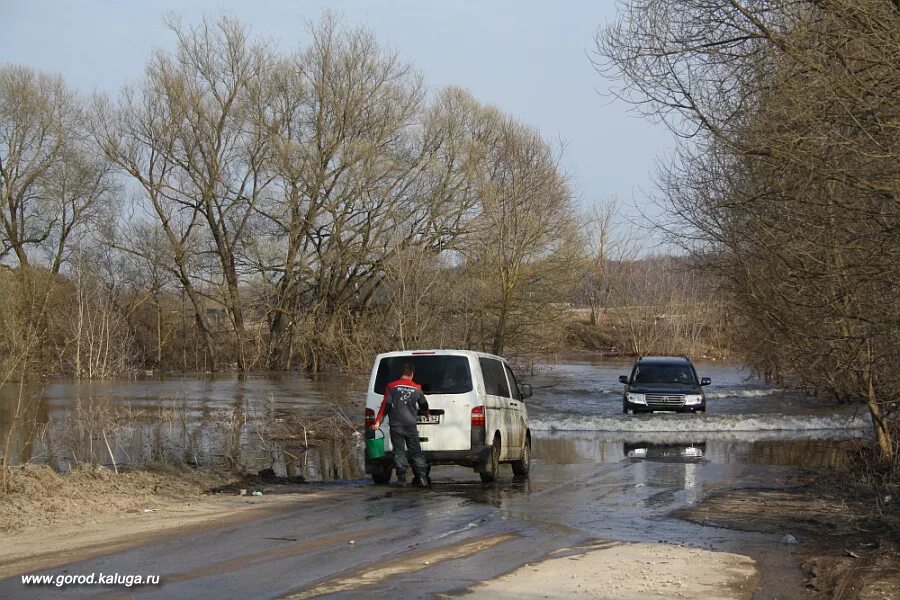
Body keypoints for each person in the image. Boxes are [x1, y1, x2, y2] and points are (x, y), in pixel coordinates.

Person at [372, 363, 430, 487]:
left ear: (401, 373)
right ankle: (422, 478)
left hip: (396, 425)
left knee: (399, 452)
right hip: (410, 425)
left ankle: (402, 479)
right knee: (416, 452)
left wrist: (378, 421)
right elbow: (423, 403)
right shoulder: (417, 388)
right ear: (412, 374)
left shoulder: (391, 386)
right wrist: (426, 413)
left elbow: (386, 405)